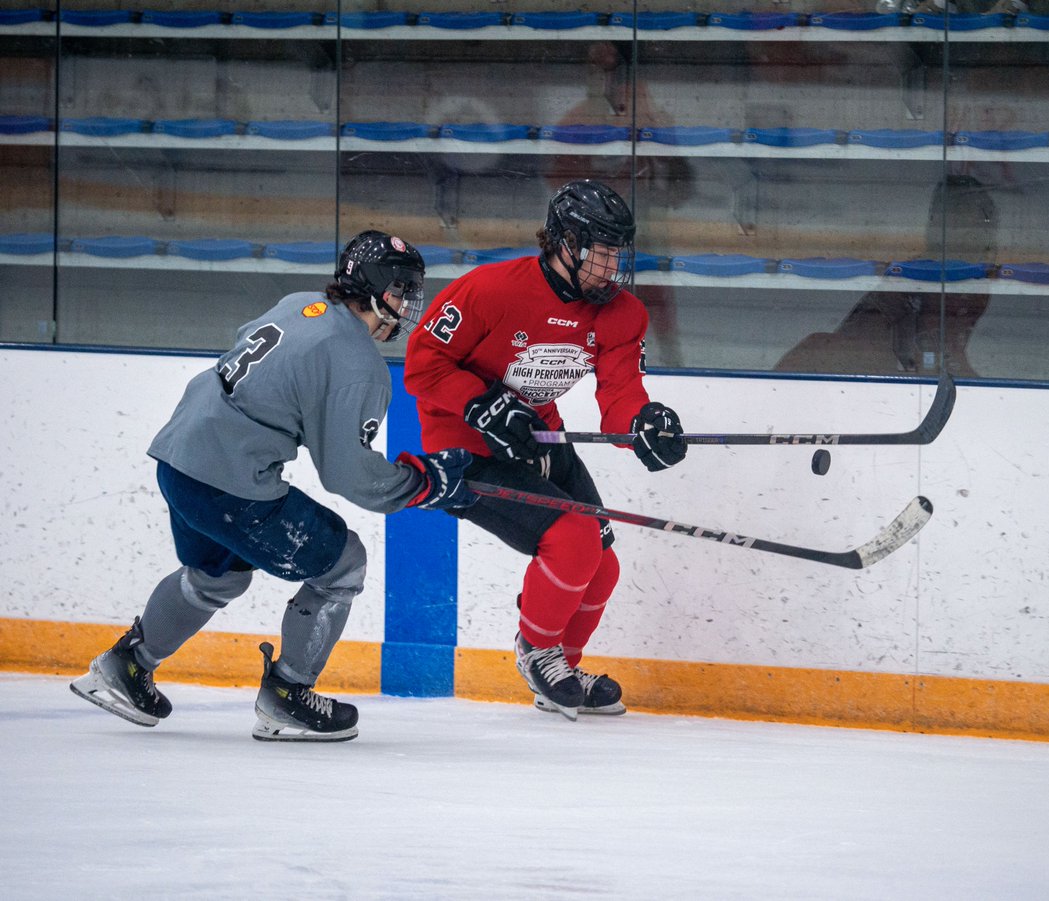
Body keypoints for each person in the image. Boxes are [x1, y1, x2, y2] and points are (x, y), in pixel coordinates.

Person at [70, 231, 476, 742]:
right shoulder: (358, 363)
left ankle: (125, 666)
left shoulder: (301, 304)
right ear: (374, 290)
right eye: (401, 289)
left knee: (216, 576)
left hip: (179, 459)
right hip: (227, 481)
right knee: (344, 564)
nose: (406, 302)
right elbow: (347, 475)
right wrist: (422, 486)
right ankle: (288, 694)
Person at [404, 179, 688, 721]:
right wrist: (480, 403)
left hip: (540, 436)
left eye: (616, 253)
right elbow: (422, 364)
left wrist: (643, 425)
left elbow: (620, 397)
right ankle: (536, 651)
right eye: (598, 251)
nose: (609, 266)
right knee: (575, 537)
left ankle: (561, 668)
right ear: (562, 242)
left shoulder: (623, 314)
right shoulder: (488, 290)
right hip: (466, 447)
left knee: (602, 564)